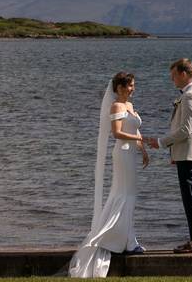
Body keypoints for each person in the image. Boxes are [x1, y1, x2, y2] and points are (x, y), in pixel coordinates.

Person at [68, 72, 150, 278]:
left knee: (130, 196)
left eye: (133, 85)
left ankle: (128, 240)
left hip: (131, 153)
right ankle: (122, 241)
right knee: (123, 195)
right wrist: (142, 140)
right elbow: (117, 133)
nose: (133, 89)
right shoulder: (117, 107)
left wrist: (143, 149)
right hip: (122, 154)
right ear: (120, 88)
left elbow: (134, 131)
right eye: (130, 85)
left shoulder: (129, 106)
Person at [146, 58, 192, 254]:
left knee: (190, 199)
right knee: (191, 198)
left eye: (173, 76)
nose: (172, 80)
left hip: (190, 155)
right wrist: (174, 152)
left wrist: (161, 142)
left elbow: (185, 131)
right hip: (186, 154)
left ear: (183, 74)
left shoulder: (190, 96)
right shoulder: (190, 93)